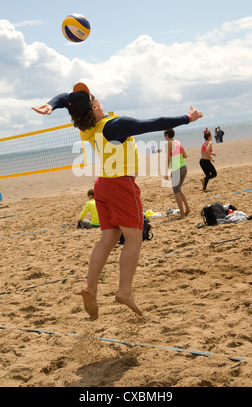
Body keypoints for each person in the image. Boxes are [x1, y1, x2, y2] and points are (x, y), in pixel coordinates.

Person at [32, 82, 203, 320]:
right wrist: (187, 118)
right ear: (95, 105)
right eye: (94, 98)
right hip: (121, 186)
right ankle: (124, 291)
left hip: (102, 186)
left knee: (108, 238)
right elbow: (154, 123)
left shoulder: (86, 127)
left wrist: (52, 105)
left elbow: (67, 99)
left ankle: (90, 287)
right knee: (134, 238)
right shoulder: (115, 125)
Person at [163, 129, 190, 218]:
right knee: (179, 189)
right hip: (184, 168)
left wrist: (166, 172)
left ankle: (182, 214)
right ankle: (187, 208)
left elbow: (168, 159)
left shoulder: (169, 144)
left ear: (167, 135)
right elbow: (185, 155)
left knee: (176, 192)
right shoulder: (178, 142)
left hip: (176, 170)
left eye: (164, 134)